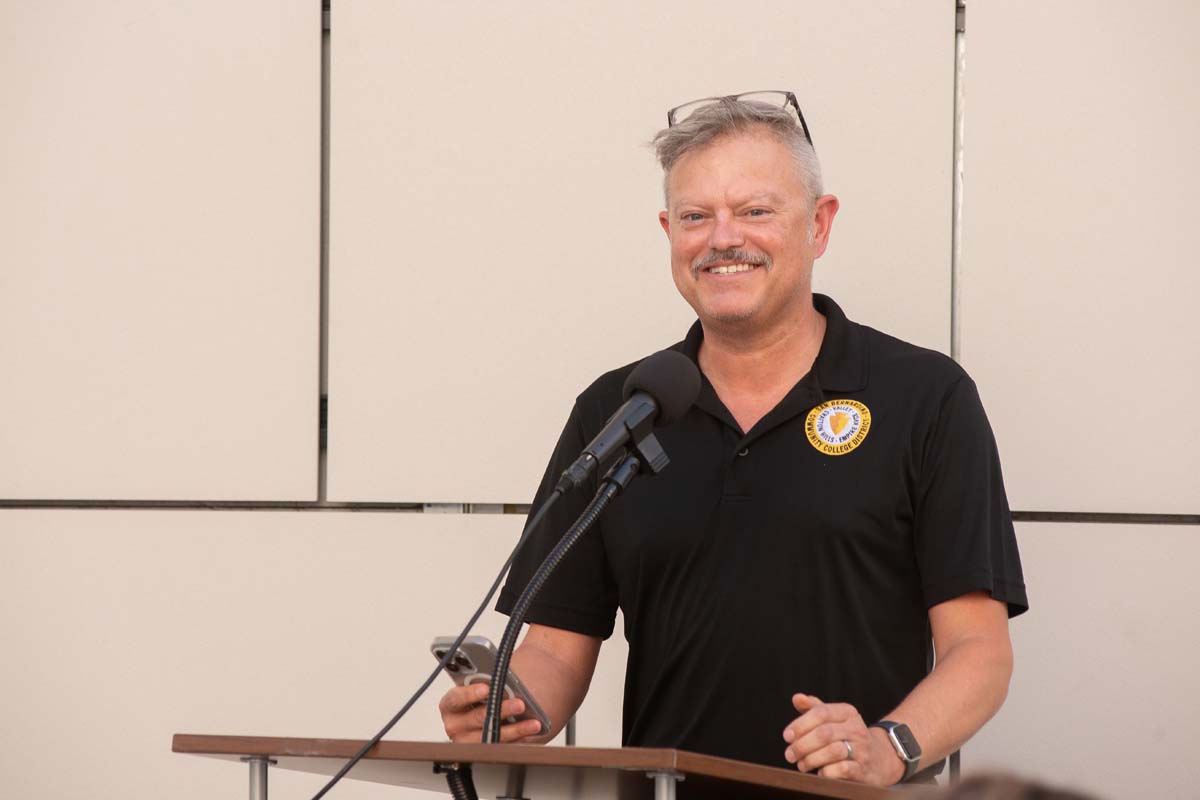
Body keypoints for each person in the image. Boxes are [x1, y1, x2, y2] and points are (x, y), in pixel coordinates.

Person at [438, 91, 1028, 787]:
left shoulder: (925, 398)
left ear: (820, 224)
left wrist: (886, 744)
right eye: (696, 217)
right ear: (668, 231)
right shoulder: (618, 409)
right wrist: (508, 706)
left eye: (755, 211)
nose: (723, 238)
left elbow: (979, 653)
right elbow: (557, 652)